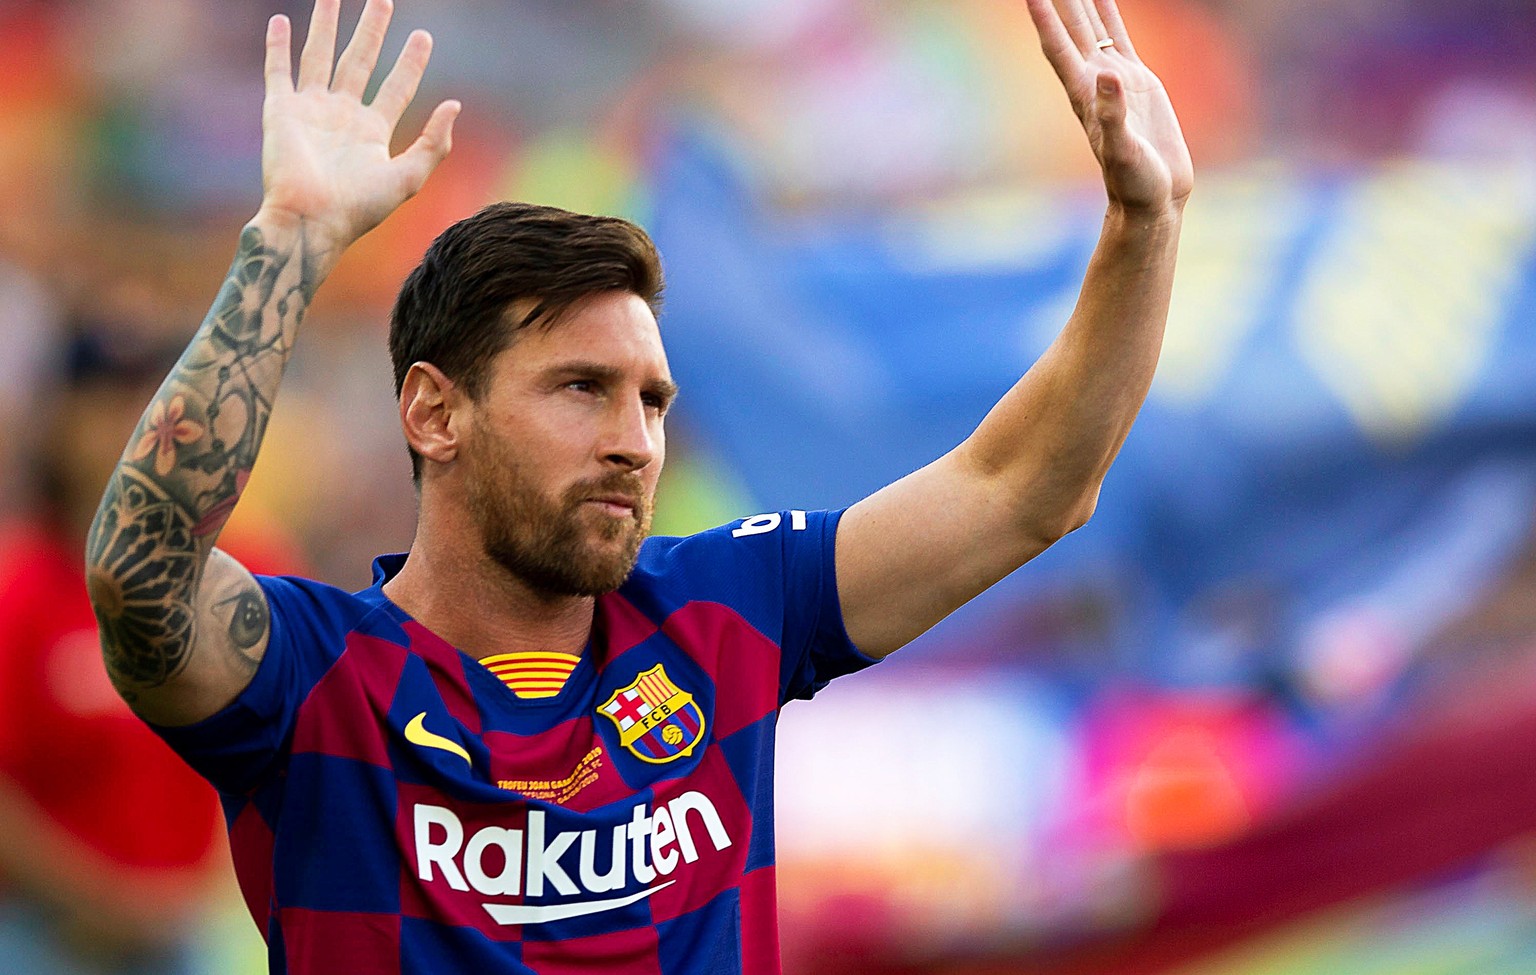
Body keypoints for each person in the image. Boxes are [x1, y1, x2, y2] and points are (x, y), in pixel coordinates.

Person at [84, 0, 1191, 971]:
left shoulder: (729, 613)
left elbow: (1022, 487)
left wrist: (1146, 228)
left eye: (652, 401)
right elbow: (142, 579)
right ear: (433, 413)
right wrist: (290, 237)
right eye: (580, 389)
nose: (633, 440)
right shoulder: (315, 678)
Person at [0, 323, 299, 975]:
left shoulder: (246, 573)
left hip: (195, 923)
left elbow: (295, 745)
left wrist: (198, 891)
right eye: (110, 402)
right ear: (60, 421)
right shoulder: (20, 586)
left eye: (160, 403)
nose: (137, 428)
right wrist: (104, 901)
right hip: (44, 928)